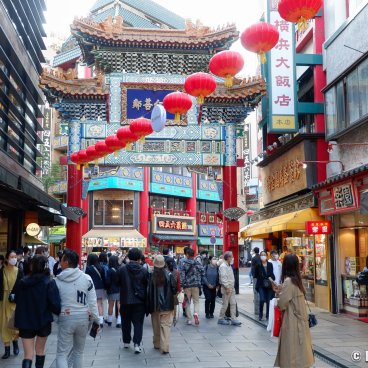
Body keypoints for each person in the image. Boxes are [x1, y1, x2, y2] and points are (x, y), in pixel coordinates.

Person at [14, 256, 61, 368]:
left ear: (31, 266)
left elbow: (16, 299)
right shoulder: (49, 282)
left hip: (25, 321)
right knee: (40, 350)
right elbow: (55, 304)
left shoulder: (22, 282)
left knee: (28, 355)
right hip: (43, 321)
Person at [55, 249, 99, 368]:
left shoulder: (57, 280)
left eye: (62, 259)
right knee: (79, 352)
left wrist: (54, 318)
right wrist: (96, 320)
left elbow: (54, 302)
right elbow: (92, 301)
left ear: (67, 262)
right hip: (83, 317)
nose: (60, 262)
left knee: (62, 354)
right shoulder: (87, 278)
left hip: (65, 317)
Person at [274, 254, 314, 368]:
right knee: (301, 351)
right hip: (301, 321)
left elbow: (282, 304)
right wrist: (280, 290)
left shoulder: (288, 281)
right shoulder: (297, 280)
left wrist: (277, 298)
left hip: (292, 322)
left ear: (285, 265)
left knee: (291, 353)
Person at [117, 247, 149, 354]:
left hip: (125, 300)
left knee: (125, 322)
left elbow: (117, 283)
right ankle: (137, 344)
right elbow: (146, 285)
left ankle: (126, 342)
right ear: (139, 257)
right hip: (139, 301)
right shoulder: (144, 270)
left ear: (129, 257)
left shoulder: (122, 269)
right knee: (138, 323)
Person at [147, 255, 177, 354]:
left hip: (154, 305)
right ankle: (164, 347)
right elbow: (174, 289)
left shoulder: (150, 275)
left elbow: (147, 291)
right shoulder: (169, 275)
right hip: (167, 305)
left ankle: (156, 344)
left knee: (156, 325)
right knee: (165, 326)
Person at [0, 250, 23, 359]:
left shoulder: (19, 271)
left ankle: (15, 343)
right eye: (12, 257)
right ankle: (7, 349)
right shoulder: (1, 271)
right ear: (7, 259)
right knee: (4, 325)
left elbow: (22, 287)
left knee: (14, 324)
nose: (14, 258)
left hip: (15, 301)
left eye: (15, 256)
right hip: (3, 301)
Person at [179, 248, 207, 326]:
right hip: (196, 285)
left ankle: (189, 320)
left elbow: (182, 275)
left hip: (187, 286)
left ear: (187, 255)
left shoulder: (183, 262)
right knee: (196, 302)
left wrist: (181, 285)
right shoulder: (197, 262)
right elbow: (203, 271)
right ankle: (196, 313)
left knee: (187, 302)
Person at [217, 251, 241, 326]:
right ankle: (221, 318)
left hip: (231, 287)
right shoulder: (223, 266)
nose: (232, 258)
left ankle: (233, 319)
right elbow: (223, 278)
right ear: (228, 258)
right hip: (226, 288)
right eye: (231, 257)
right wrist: (227, 287)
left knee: (233, 303)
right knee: (225, 304)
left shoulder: (229, 265)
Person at [85, 253, 106, 327]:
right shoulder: (101, 267)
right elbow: (103, 278)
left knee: (93, 304)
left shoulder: (88, 268)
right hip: (100, 287)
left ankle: (96, 319)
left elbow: (86, 278)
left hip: (92, 288)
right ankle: (101, 320)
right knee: (100, 304)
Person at [255, 251, 275, 321]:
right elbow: (255, 275)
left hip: (269, 285)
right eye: (262, 255)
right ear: (260, 256)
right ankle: (260, 314)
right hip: (261, 284)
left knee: (269, 301)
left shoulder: (270, 264)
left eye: (264, 255)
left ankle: (268, 315)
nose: (263, 256)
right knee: (262, 299)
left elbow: (272, 274)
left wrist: (271, 278)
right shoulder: (258, 265)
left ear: (266, 256)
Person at [106, 255, 121, 328]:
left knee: (111, 305)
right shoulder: (120, 269)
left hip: (111, 290)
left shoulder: (109, 271)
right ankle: (119, 321)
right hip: (119, 289)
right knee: (119, 305)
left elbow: (107, 282)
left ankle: (109, 320)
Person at [251, 247, 261, 315]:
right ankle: (260, 310)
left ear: (254, 251)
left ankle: (256, 310)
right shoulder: (261, 258)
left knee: (255, 292)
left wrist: (253, 275)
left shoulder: (253, 258)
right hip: (261, 277)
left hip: (255, 277)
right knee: (260, 292)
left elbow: (252, 268)